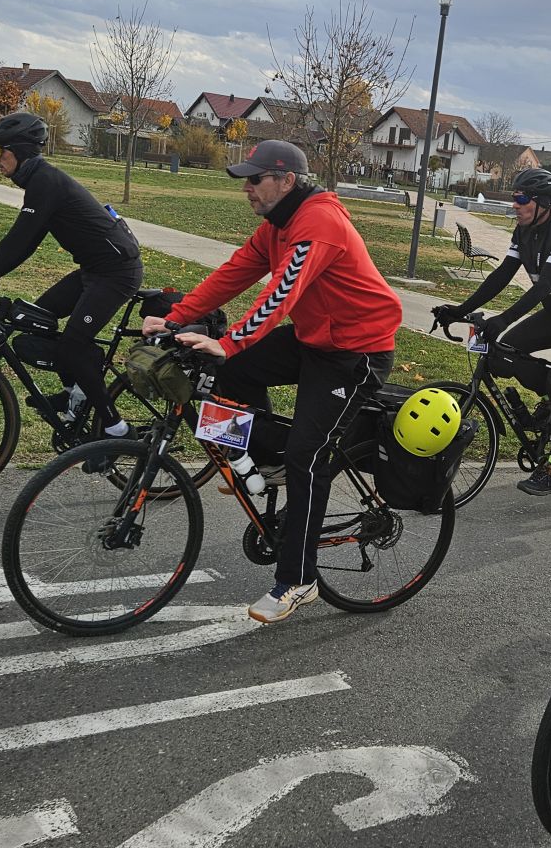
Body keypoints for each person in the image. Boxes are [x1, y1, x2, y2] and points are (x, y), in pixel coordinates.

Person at [142, 140, 402, 624]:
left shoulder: (319, 222)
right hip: (313, 339)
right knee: (229, 373)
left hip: (357, 350)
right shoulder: (277, 226)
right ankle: (268, 458)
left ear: (286, 181)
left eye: (255, 179)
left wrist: (232, 339)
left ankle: (298, 580)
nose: (247, 188)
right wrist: (176, 319)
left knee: (309, 456)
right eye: (246, 179)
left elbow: (283, 290)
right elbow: (233, 274)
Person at [432, 168, 551, 496]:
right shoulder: (524, 232)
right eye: (514, 197)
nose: (515, 205)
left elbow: (545, 283)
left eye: (521, 199)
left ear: (546, 203)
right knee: (505, 351)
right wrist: (458, 310)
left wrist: (502, 319)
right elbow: (501, 276)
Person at [0, 113, 143, 449]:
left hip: (116, 272)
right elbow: (22, 243)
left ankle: (116, 430)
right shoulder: (40, 180)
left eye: (0, 150)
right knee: (38, 320)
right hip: (93, 270)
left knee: (72, 346)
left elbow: (21, 243)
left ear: (20, 150)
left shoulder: (45, 182)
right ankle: (76, 393)